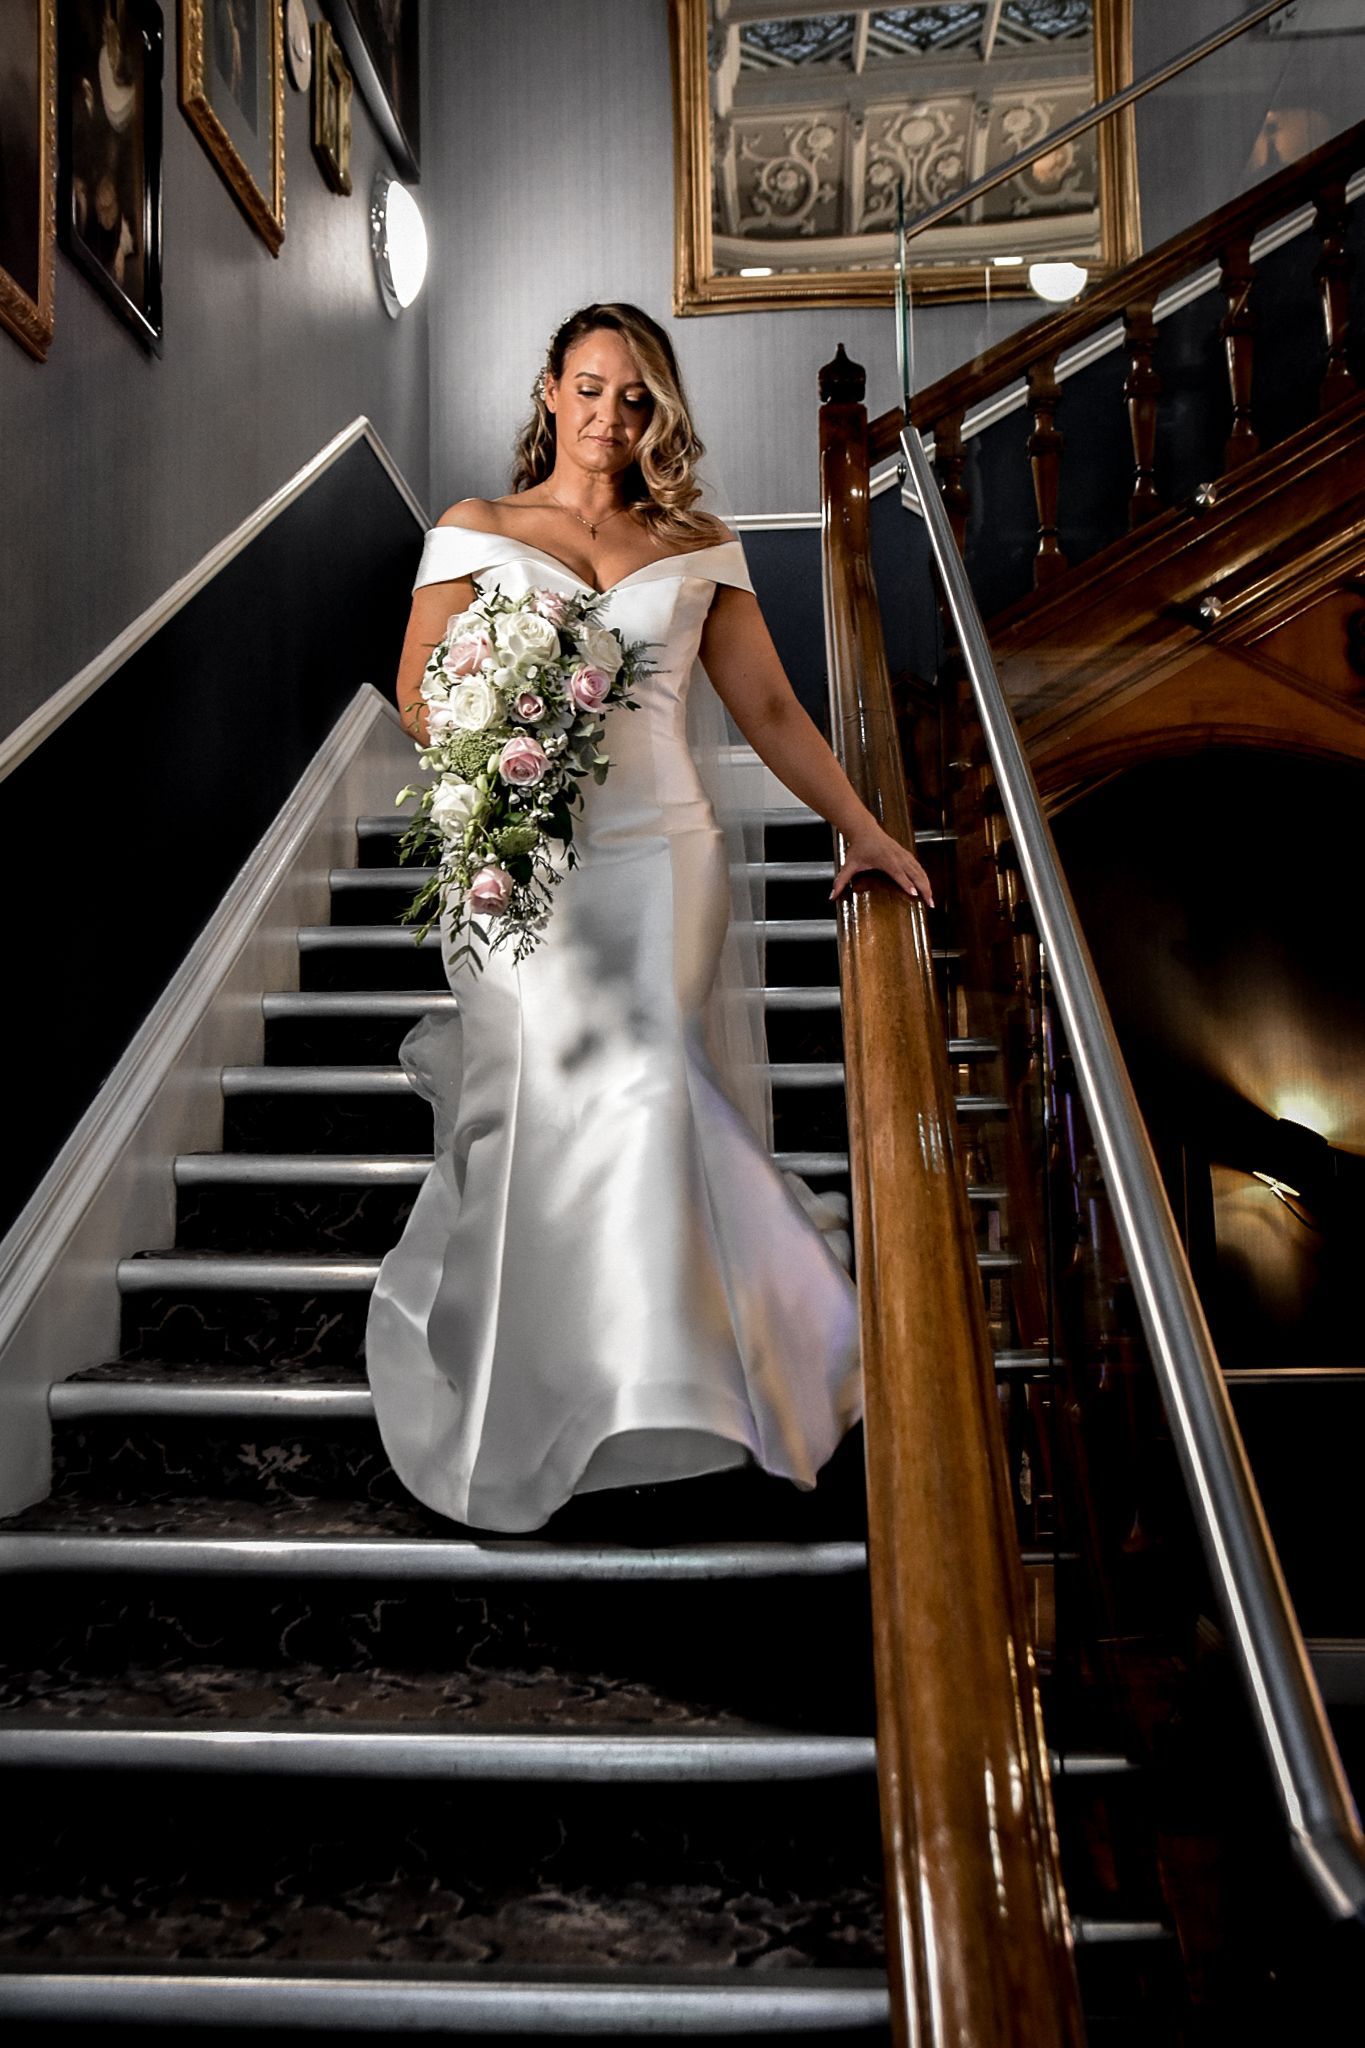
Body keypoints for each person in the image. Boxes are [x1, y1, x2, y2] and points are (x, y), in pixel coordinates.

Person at [365, 303, 933, 1534]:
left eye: (635, 397)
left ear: (655, 413)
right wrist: (499, 730)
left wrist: (868, 830)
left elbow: (773, 709)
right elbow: (416, 689)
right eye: (590, 387)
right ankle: (547, 1384)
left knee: (645, 1082)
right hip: (518, 858)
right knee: (541, 1107)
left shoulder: (698, 543)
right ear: (550, 391)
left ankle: (673, 1383)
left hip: (662, 851)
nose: (611, 415)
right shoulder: (476, 528)